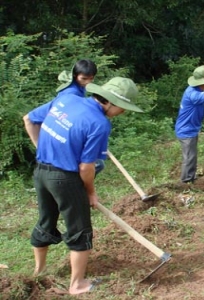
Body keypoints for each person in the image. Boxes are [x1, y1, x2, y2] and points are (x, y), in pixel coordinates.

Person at [23, 77, 143, 295]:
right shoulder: (99, 123)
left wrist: (46, 150)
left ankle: (38, 272)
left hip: (41, 172)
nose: (123, 113)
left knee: (45, 221)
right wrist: (91, 192)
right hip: (66, 180)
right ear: (110, 102)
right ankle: (77, 284)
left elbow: (29, 120)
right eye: (123, 108)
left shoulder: (68, 99)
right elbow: (86, 168)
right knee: (79, 230)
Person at [56, 60, 106, 175]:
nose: (88, 82)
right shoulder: (70, 93)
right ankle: (76, 187)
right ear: (75, 75)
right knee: (97, 164)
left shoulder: (79, 88)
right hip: (65, 133)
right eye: (84, 79)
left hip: (71, 132)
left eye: (91, 79)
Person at [175, 63, 204, 183]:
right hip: (186, 130)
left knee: (192, 155)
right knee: (189, 156)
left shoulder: (196, 89)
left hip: (191, 128)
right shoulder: (193, 93)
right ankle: (186, 181)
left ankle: (191, 176)